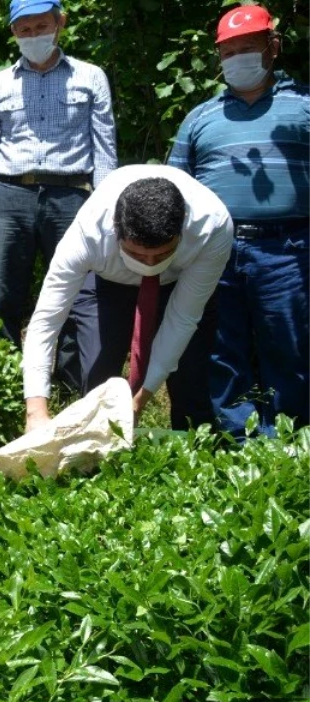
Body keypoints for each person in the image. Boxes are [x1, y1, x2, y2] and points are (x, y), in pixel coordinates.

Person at [167, 5, 310, 439]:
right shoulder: (200, 117)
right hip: (216, 253)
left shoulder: (303, 106)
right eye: (229, 52)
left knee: (289, 347)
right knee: (222, 350)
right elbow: (174, 185)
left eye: (248, 47)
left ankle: (289, 439)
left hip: (288, 251)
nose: (238, 59)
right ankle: (237, 439)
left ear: (274, 47)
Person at [21, 165, 233, 432]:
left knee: (190, 378)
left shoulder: (213, 225)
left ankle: (194, 446)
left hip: (178, 283)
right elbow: (46, 321)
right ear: (116, 231)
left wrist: (139, 401)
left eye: (162, 254)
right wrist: (36, 412)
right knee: (98, 376)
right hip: (106, 282)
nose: (150, 264)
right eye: (137, 255)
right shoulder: (89, 233)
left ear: (182, 230)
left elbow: (182, 319)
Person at [0, 0, 117, 352]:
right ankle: (2, 371)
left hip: (72, 197)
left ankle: (69, 378)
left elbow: (105, 151)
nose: (33, 36)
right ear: (14, 33)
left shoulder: (91, 77)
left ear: (59, 23)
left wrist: (106, 211)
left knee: (74, 291)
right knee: (4, 291)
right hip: (9, 197)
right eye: (24, 30)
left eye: (41, 27)